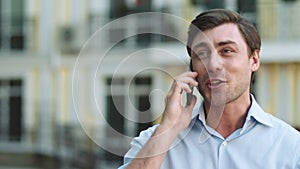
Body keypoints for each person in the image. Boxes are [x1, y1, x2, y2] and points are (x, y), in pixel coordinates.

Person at [118, 9, 300, 169]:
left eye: (227, 51)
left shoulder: (291, 146)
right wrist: (168, 130)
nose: (213, 65)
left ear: (254, 60)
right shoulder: (155, 140)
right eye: (202, 54)